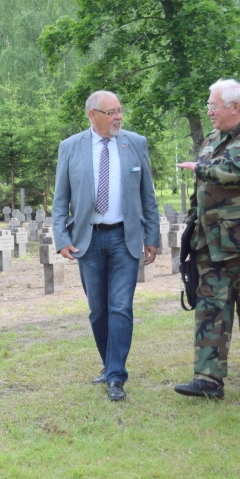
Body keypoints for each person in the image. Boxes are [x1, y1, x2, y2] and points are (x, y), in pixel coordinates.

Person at [174, 79, 240, 399]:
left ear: (235, 107)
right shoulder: (211, 138)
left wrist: (206, 168)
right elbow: (201, 189)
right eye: (209, 106)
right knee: (210, 308)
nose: (209, 112)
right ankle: (208, 378)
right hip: (211, 243)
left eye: (213, 106)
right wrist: (194, 222)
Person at [52, 91, 160, 401]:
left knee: (120, 307)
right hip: (88, 239)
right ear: (92, 115)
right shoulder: (70, 147)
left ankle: (116, 377)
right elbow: (61, 199)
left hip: (124, 237)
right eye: (111, 112)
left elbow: (147, 196)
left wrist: (151, 236)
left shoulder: (134, 143)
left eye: (119, 111)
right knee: (98, 310)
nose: (118, 117)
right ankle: (108, 364)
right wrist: (62, 238)